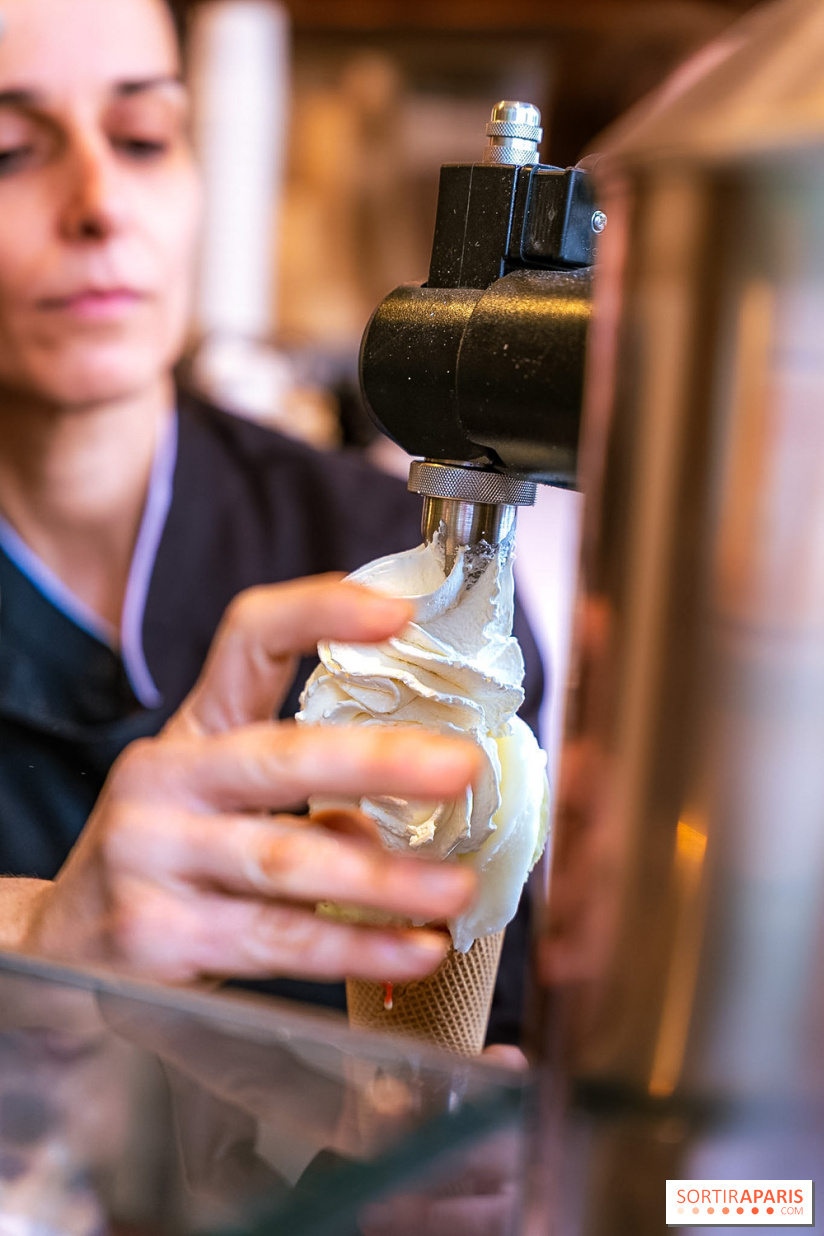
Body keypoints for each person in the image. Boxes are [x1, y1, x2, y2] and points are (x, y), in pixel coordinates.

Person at [0, 0, 542, 1033]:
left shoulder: (404, 576)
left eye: (144, 138)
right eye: (10, 152)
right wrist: (34, 934)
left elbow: (511, 1029)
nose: (99, 203)